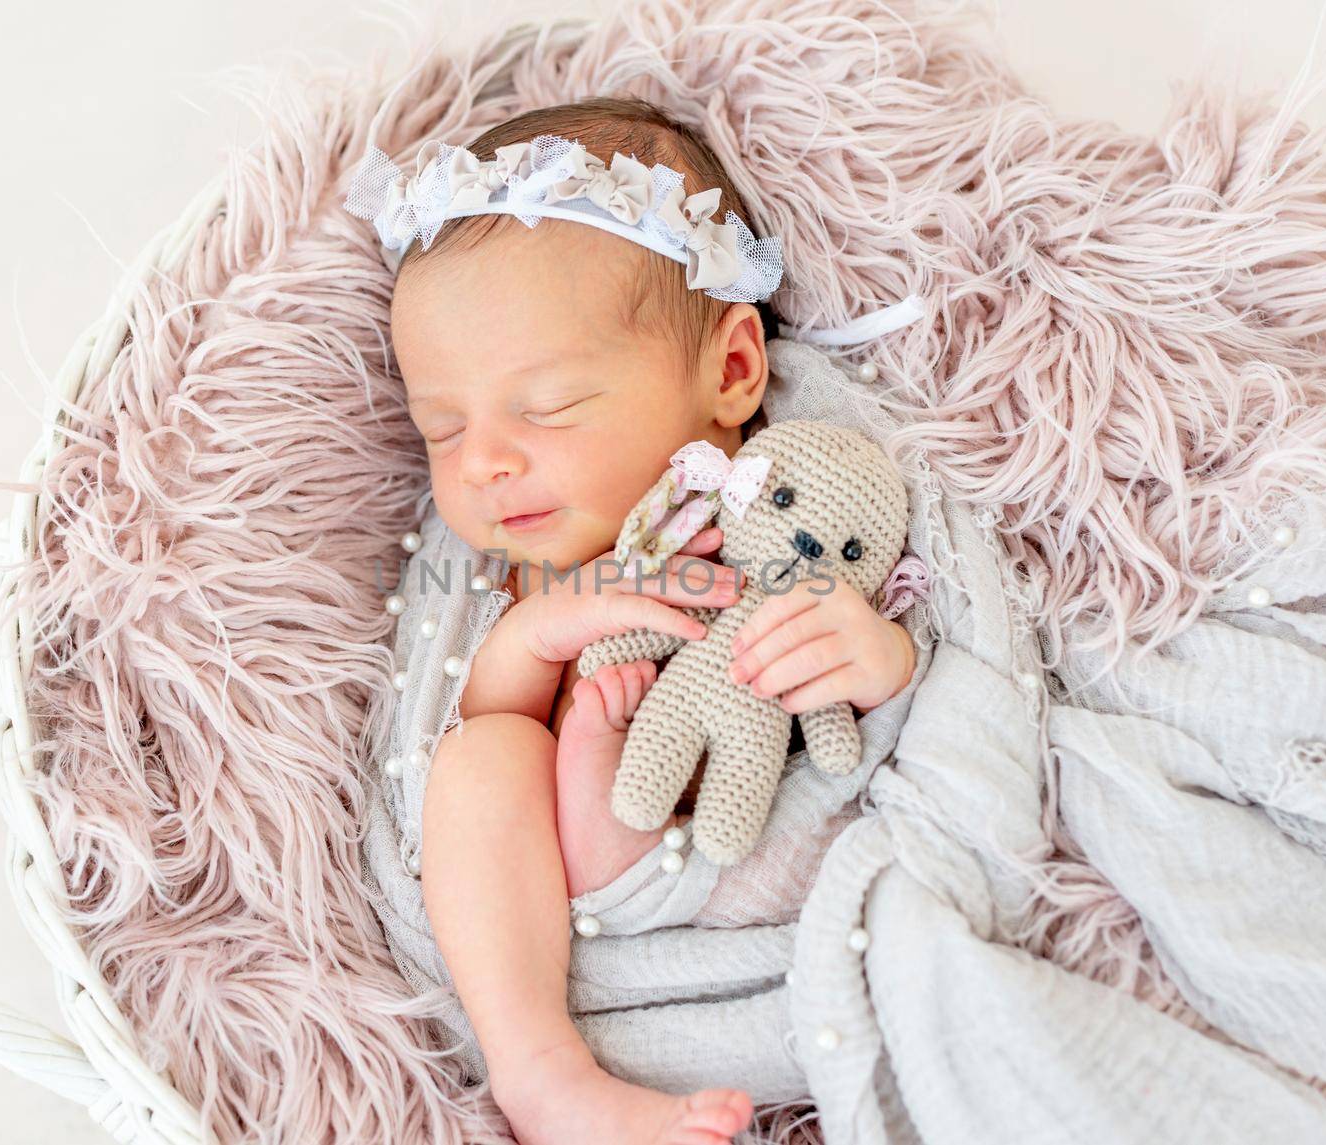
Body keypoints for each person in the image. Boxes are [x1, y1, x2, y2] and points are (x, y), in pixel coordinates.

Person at [347, 96, 916, 1145]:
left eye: (549, 407)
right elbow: (461, 724)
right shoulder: (517, 567)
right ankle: (543, 1071)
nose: (483, 463)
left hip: (759, 886)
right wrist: (539, 633)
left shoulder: (793, 486)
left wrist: (877, 659)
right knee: (479, 766)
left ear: (732, 371)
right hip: (547, 927)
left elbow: (921, 672)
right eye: (442, 427)